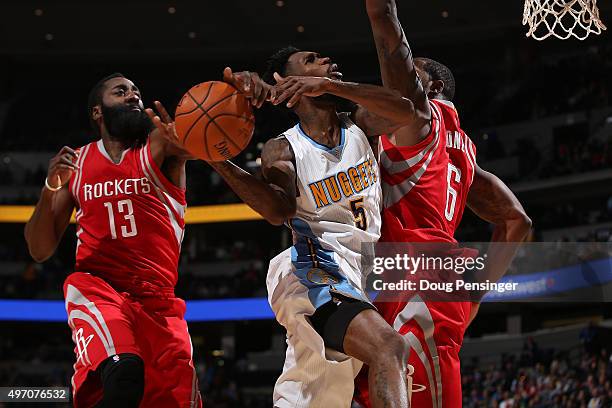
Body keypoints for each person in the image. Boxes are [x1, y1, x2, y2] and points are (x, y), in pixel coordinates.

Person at [201, 52, 416, 407]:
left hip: (360, 273)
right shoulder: (284, 147)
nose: (328, 59)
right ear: (286, 82)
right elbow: (277, 210)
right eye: (312, 60)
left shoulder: (360, 123)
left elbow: (407, 111)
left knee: (315, 394)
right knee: (388, 346)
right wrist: (217, 160)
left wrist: (331, 84)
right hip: (313, 266)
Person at [354, 0, 533, 407]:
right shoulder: (462, 150)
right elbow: (516, 220)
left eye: (409, 76)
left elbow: (387, 28)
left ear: (429, 88)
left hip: (418, 278)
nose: (395, 84)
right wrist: (475, 295)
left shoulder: (418, 119)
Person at [24, 73, 201, 407]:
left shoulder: (160, 145)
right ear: (97, 112)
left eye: (136, 91)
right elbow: (39, 249)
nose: (133, 96)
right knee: (123, 378)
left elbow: (202, 141)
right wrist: (50, 189)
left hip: (160, 303)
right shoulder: (76, 164)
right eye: (121, 92)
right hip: (100, 289)